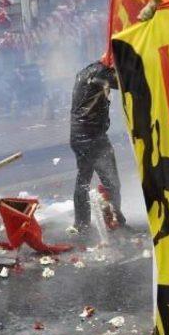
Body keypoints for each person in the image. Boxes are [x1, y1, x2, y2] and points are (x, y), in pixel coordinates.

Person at [69, 59, 126, 234]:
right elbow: (127, 82)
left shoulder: (86, 70)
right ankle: (116, 220)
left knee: (83, 181)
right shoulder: (101, 73)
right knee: (112, 183)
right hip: (94, 138)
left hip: (78, 136)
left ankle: (82, 223)